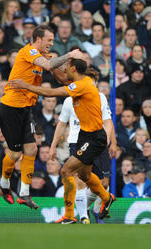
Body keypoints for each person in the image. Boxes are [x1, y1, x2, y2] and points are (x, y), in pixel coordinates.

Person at [8, 58, 115, 223]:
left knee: (66, 171)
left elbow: (51, 92)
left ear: (73, 68)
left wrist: (26, 85)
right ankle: (107, 198)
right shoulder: (81, 80)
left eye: (67, 67)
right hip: (85, 136)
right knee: (85, 175)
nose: (65, 70)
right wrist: (51, 64)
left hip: (94, 137)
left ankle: (69, 215)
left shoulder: (82, 85)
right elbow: (62, 78)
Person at [0, 24, 84, 209]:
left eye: (52, 41)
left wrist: (71, 74)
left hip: (26, 109)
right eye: (49, 40)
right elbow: (50, 64)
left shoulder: (44, 56)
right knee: (14, 153)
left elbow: (60, 78)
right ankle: (4, 183)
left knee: (32, 150)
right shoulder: (28, 52)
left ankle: (24, 194)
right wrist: (70, 54)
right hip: (10, 107)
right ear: (38, 39)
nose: (51, 44)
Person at [48, 68, 116, 223]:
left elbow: (108, 120)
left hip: (96, 141)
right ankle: (82, 217)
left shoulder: (100, 97)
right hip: (77, 141)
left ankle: (103, 199)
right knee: (77, 177)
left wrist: (110, 140)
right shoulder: (69, 100)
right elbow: (61, 123)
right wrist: (53, 145)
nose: (90, 84)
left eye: (93, 81)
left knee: (101, 181)